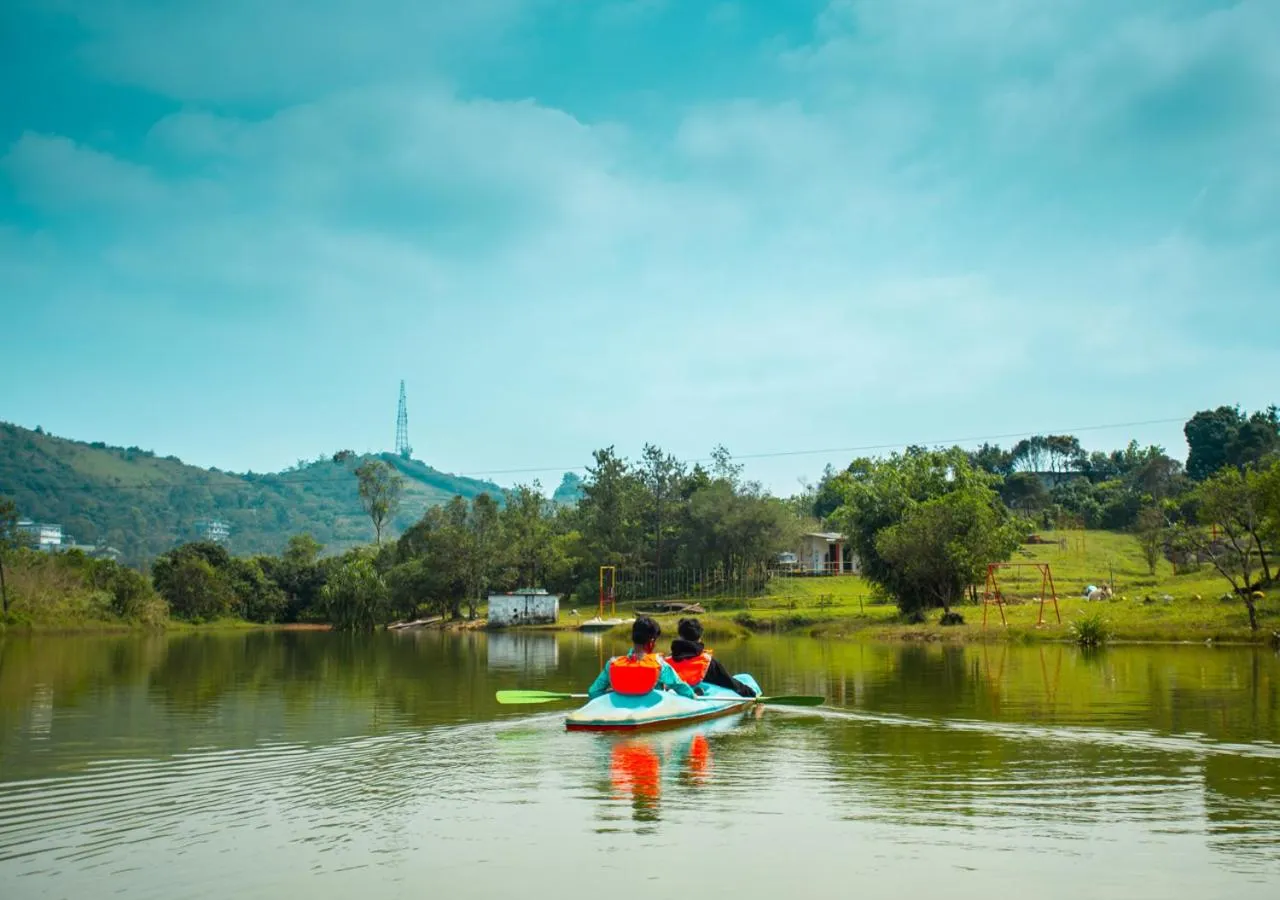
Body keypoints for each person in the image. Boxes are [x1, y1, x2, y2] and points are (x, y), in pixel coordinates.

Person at [587, 616, 696, 699]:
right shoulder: (659, 664)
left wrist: (612, 693)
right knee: (670, 689)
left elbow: (593, 692)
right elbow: (681, 687)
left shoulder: (612, 663)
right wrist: (693, 696)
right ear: (652, 642)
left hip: (619, 710)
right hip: (650, 710)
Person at [666, 617, 757, 697]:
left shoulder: (666, 662)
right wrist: (752, 694)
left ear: (680, 636)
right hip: (698, 695)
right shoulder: (709, 662)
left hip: (673, 696)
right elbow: (730, 683)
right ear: (700, 637)